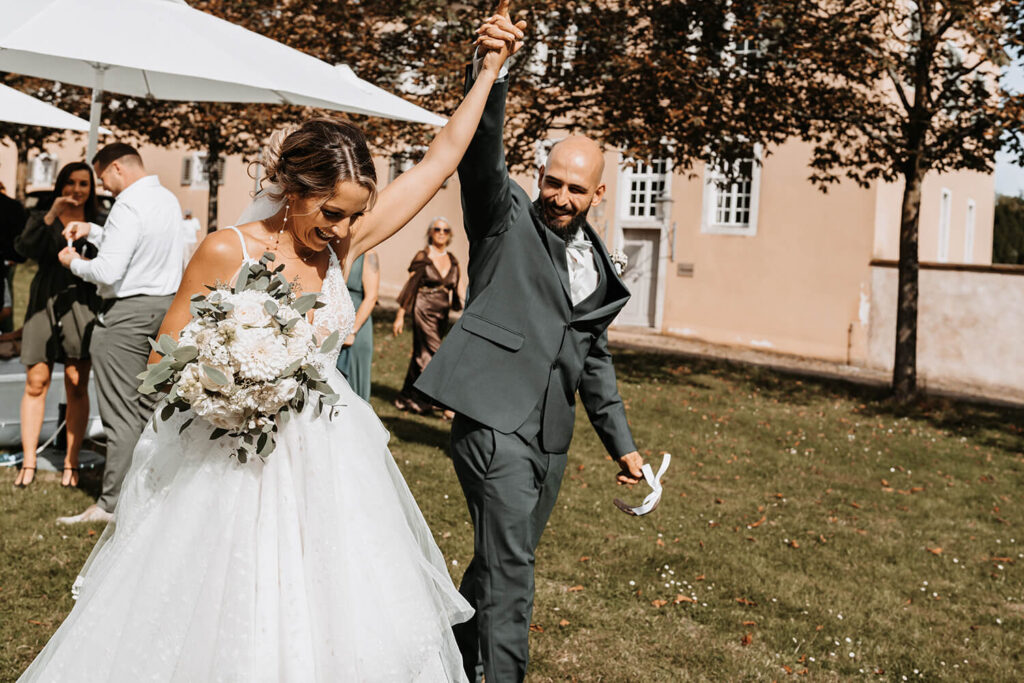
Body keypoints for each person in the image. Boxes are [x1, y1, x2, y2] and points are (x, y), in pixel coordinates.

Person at [18, 12, 523, 682]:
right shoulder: (226, 248)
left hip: (330, 467)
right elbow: (161, 358)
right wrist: (227, 385)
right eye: (331, 212)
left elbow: (438, 161)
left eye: (352, 214)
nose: (343, 228)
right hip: (230, 466)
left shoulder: (342, 247)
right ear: (293, 192)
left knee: (334, 626)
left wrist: (489, 70)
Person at [413, 9, 650, 682]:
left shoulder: (600, 264)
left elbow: (593, 357)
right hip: (492, 419)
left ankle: (445, 660)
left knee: (497, 561)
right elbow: (482, 147)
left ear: (597, 194)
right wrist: (492, 67)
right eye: (553, 180)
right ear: (539, 174)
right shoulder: (505, 214)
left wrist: (623, 445)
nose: (561, 196)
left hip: (551, 435)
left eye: (577, 188)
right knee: (514, 572)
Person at [55, 143, 185, 524]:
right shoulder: (166, 200)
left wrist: (74, 262)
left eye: (102, 178)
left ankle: (112, 504)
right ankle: (148, 489)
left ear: (116, 169)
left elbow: (108, 272)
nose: (104, 187)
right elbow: (140, 247)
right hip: (163, 310)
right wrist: (95, 229)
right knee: (149, 407)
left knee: (121, 413)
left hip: (126, 315)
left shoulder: (128, 204)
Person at [13, 162, 105, 488]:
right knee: (35, 380)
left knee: (76, 380)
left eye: (83, 183)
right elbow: (23, 249)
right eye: (70, 183)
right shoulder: (42, 216)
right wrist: (52, 213)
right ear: (60, 185)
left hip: (81, 300)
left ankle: (71, 461)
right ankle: (28, 461)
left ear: (91, 188)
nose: (76, 190)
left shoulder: (102, 220)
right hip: (43, 299)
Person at [393, 217, 462, 416]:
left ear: (449, 235)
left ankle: (408, 397)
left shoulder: (453, 259)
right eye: (437, 229)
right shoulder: (422, 256)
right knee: (436, 355)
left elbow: (459, 288)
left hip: (442, 313)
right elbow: (410, 287)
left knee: (421, 354)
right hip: (422, 309)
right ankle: (444, 403)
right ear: (430, 232)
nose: (441, 233)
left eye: (445, 230)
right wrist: (400, 315)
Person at [335, 248, 379, 401]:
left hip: (357, 324)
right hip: (330, 321)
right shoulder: (330, 248)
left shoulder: (369, 255)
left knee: (353, 384)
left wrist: (352, 330)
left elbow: (371, 297)